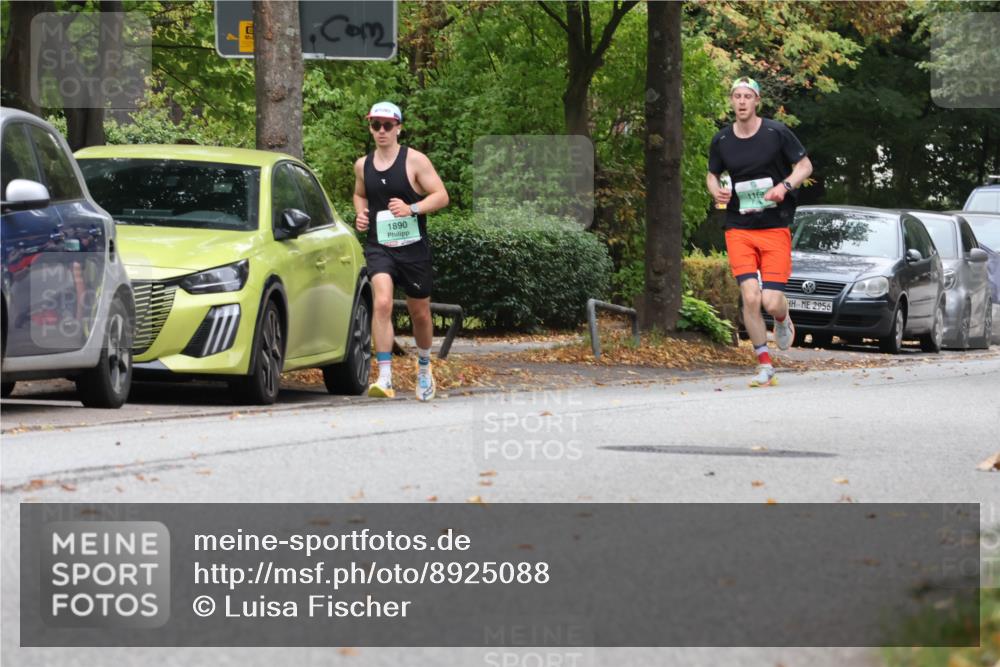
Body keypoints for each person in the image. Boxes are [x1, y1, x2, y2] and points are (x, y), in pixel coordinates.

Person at [706, 76, 813, 387]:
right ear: (731, 101)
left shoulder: (775, 132)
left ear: (756, 101)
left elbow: (805, 166)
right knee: (750, 297)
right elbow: (712, 174)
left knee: (770, 301)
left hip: (774, 225)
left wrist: (784, 186)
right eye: (737, 96)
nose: (741, 102)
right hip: (739, 227)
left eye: (747, 96)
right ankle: (764, 365)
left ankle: (782, 317)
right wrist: (716, 191)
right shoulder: (722, 140)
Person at [353, 101, 449, 400]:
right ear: (370, 128)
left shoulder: (415, 161)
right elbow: (359, 194)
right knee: (382, 303)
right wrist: (360, 214)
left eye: (387, 125)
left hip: (413, 248)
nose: (381, 131)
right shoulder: (363, 165)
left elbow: (441, 196)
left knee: (419, 313)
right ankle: (384, 378)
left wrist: (412, 209)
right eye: (375, 125)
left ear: (398, 128)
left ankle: (424, 368)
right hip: (380, 246)